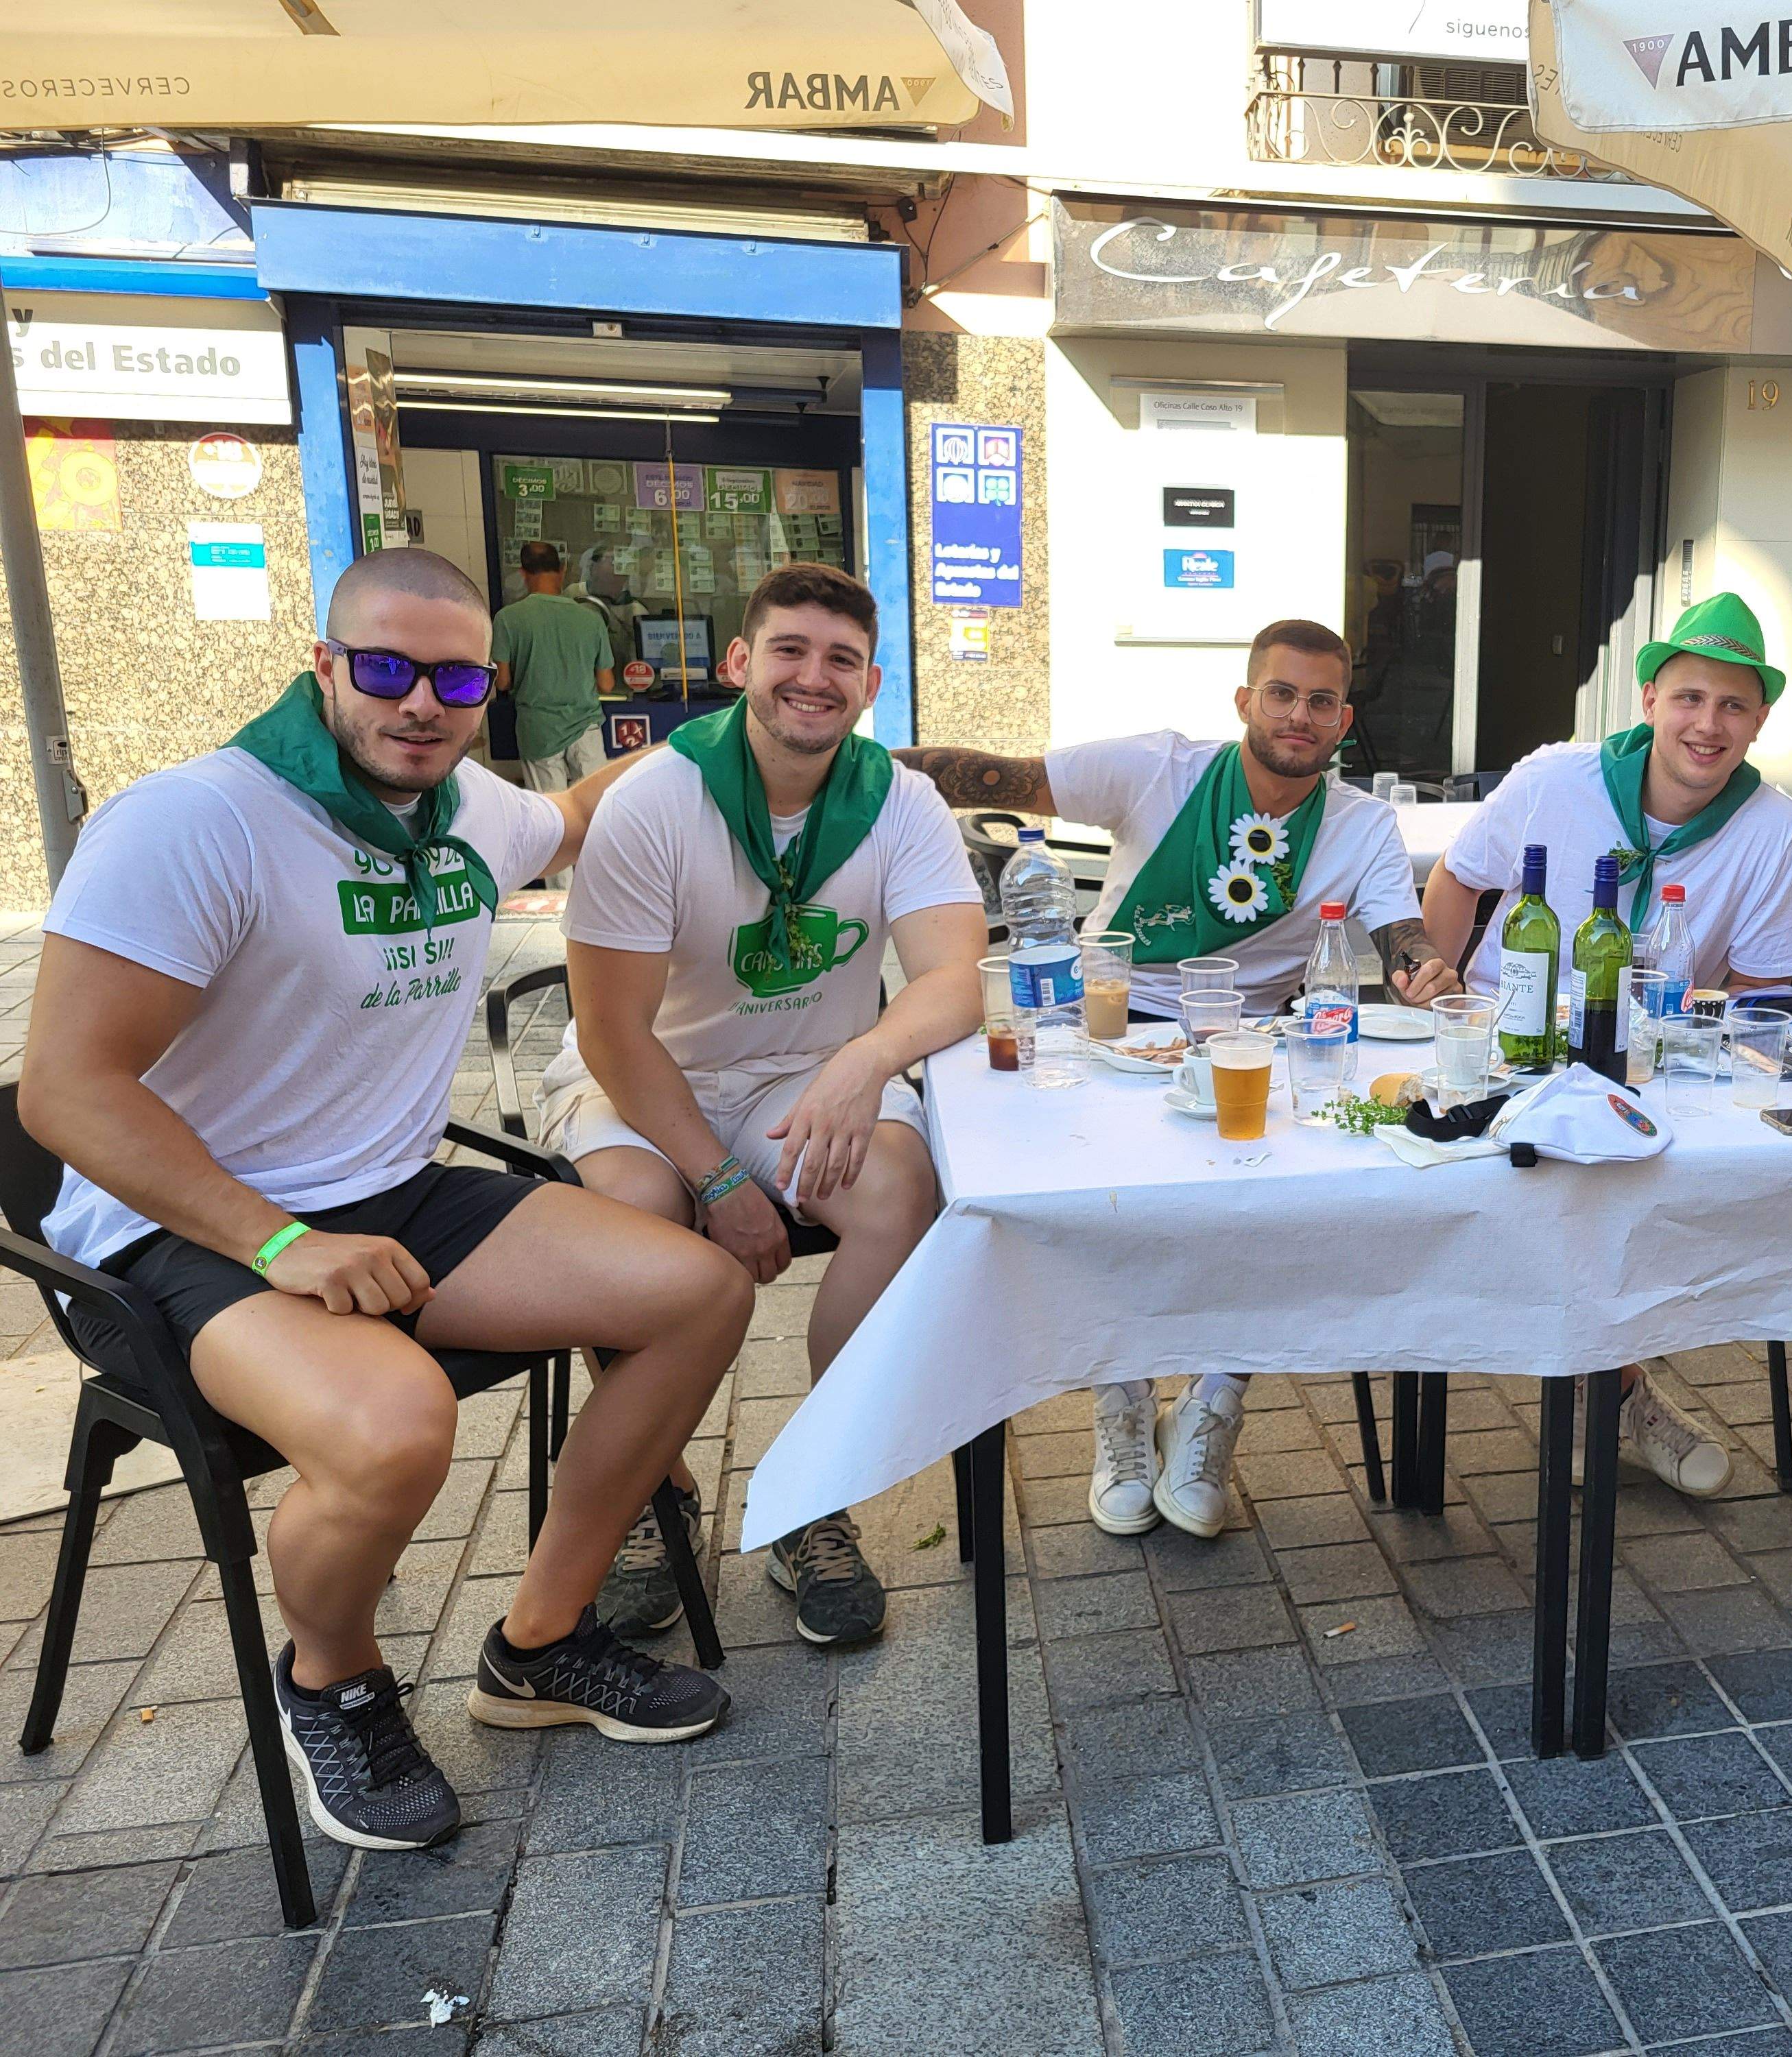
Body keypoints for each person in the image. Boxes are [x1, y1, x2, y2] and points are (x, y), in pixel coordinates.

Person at [21, 547, 750, 1855]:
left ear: (491, 687)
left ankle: (539, 1643)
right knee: (396, 1426)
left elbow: (572, 812)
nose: (420, 702)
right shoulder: (199, 821)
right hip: (179, 1233)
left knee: (697, 1291)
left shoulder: (466, 804)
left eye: (456, 678)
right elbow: (66, 1093)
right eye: (386, 669)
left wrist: (745, 724)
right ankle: (336, 1683)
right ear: (324, 666)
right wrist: (279, 1240)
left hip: (396, 1190)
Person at [898, 618, 1456, 1540]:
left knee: (1272, 1211)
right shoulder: (1157, 769)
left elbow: (1404, 941)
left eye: (1321, 702)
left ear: (1343, 719)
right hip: (1107, 1027)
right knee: (1104, 1213)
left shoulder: (1362, 825)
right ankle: (1121, 1405)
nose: (1299, 715)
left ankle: (1215, 1403)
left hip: (1249, 1051)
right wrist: (850, 763)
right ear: (1245, 701)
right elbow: (999, 774)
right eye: (1282, 693)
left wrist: (1427, 971)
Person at [542, 564, 989, 1646]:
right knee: (640, 1217)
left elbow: (953, 981)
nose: (813, 677)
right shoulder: (656, 796)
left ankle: (810, 1496)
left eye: (840, 660)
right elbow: (612, 1032)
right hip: (648, 1075)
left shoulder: (899, 799)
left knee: (897, 1191)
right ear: (740, 663)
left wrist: (865, 1060)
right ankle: (659, 1490)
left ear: (871, 683)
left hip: (803, 1071)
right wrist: (719, 1178)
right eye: (789, 650)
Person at [1421, 590, 1792, 1497]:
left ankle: (1611, 1389)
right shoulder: (1555, 779)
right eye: (1689, 698)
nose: (1707, 725)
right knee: (1524, 1185)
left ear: (1760, 719)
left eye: (1732, 705)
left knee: (1627, 1190)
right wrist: (1435, 1002)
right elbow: (1459, 877)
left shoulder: (1772, 830)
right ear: (1648, 701)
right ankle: (1625, 1395)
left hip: (1648, 1069)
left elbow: (1760, 997)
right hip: (1502, 1054)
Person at [493, 540, 614, 799]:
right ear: (562, 570)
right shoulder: (591, 619)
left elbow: (502, 683)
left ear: (523, 573)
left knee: (551, 814)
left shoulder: (507, 619)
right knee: (596, 807)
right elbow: (607, 684)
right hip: (586, 729)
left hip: (538, 730)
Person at [575, 544, 647, 677]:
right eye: (612, 562)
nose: (617, 569)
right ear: (592, 569)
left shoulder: (635, 611)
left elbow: (640, 664)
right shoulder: (573, 595)